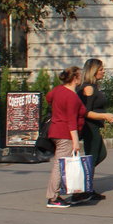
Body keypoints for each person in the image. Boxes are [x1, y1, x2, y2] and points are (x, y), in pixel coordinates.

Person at [44, 66, 88, 208]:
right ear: (75, 79)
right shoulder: (72, 97)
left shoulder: (58, 90)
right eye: (80, 76)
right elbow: (71, 120)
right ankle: (53, 197)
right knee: (59, 164)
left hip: (55, 130)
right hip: (65, 134)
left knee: (62, 163)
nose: (81, 79)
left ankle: (69, 192)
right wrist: (75, 141)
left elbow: (48, 98)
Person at [78, 58, 113, 201]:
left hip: (94, 126)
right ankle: (83, 189)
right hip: (89, 127)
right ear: (93, 71)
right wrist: (105, 116)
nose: (103, 72)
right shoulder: (88, 88)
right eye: (101, 69)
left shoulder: (93, 86)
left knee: (100, 154)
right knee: (93, 156)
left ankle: (84, 185)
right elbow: (86, 111)